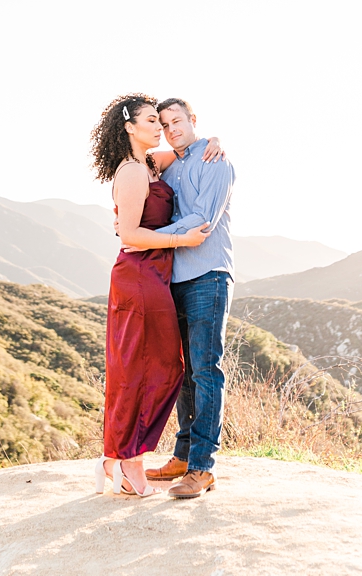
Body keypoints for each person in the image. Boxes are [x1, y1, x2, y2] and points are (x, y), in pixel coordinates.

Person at [89, 93, 210, 498]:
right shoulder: (132, 172)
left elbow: (187, 150)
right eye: (150, 121)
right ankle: (127, 462)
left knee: (164, 368)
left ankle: (119, 457)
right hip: (139, 276)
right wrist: (183, 238)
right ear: (129, 128)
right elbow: (128, 235)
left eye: (161, 121)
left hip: (154, 275)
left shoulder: (151, 164)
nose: (159, 127)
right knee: (143, 370)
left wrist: (214, 141)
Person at [140, 97, 236, 499]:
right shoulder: (172, 163)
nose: (172, 128)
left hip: (208, 275)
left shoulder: (215, 161)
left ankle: (202, 468)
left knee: (206, 370)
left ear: (192, 119)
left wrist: (144, 240)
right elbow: (140, 157)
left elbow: (203, 220)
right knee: (183, 373)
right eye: (164, 124)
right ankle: (182, 455)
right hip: (175, 278)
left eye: (178, 121)